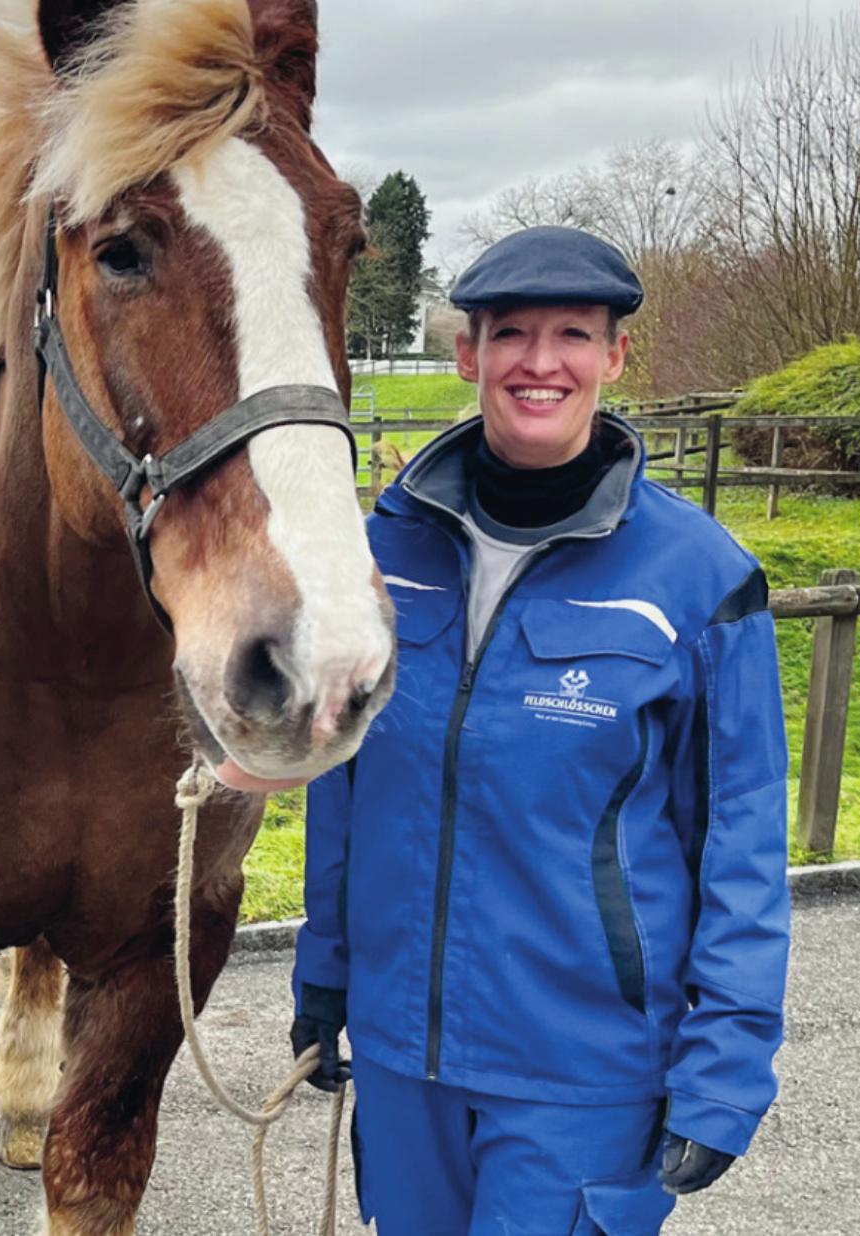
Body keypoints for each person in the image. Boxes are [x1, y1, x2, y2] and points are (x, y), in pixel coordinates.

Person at [287, 226, 791, 1233]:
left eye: (573, 333)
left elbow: (743, 841)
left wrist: (726, 1066)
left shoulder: (699, 579)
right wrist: (326, 968)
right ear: (469, 354)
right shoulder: (378, 550)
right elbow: (346, 789)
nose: (540, 361)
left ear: (614, 356)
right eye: (510, 333)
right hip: (404, 1059)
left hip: (583, 1076)